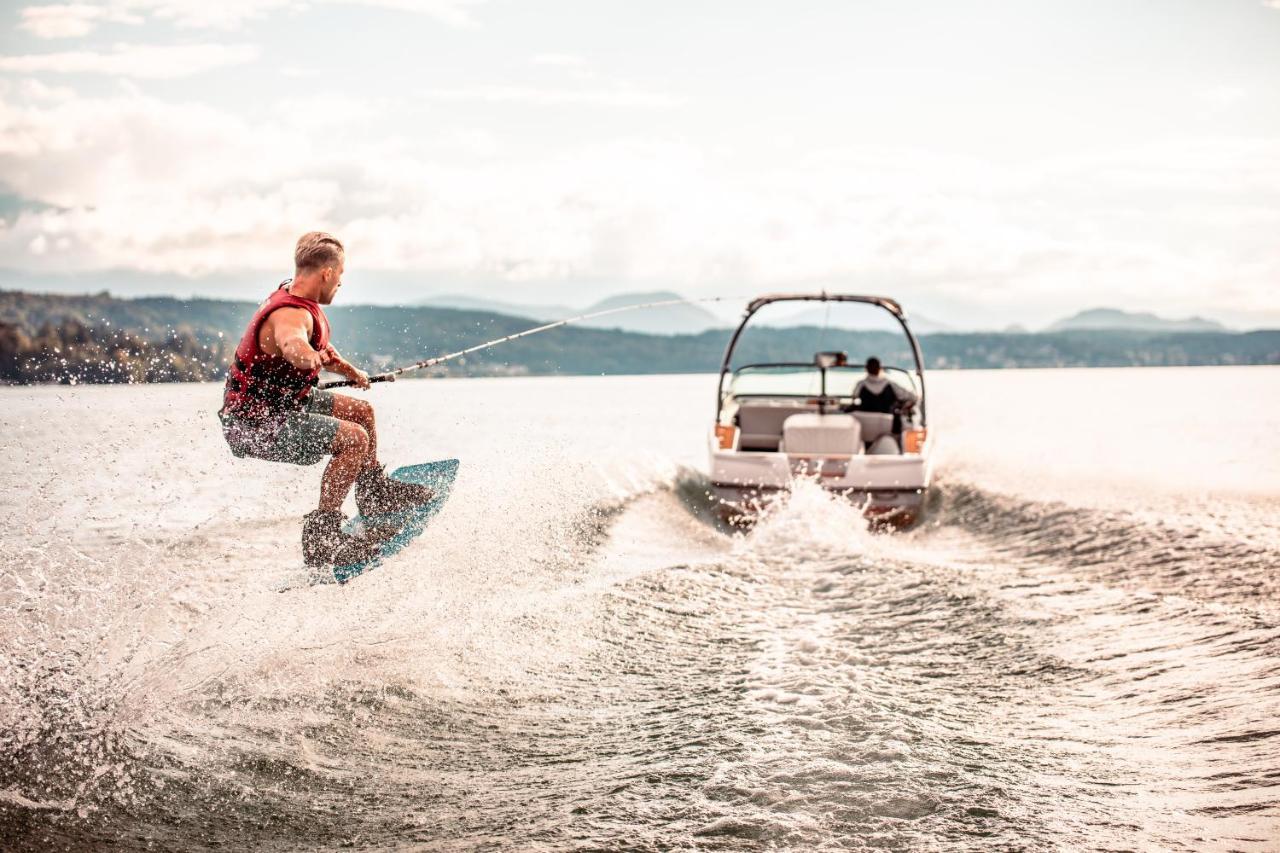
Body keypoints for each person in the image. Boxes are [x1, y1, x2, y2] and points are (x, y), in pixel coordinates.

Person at [218, 232, 432, 568]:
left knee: (362, 413)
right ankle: (323, 538)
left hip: (284, 406)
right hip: (257, 425)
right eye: (341, 276)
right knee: (354, 440)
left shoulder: (299, 299)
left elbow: (319, 348)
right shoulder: (289, 315)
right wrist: (303, 356)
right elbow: (293, 343)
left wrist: (349, 370)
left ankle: (373, 495)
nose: (341, 284)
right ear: (327, 273)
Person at [846, 356, 918, 433]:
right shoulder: (890, 384)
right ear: (880, 368)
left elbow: (854, 396)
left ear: (866, 369)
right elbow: (912, 397)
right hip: (887, 423)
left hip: (865, 425)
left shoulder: (860, 384)